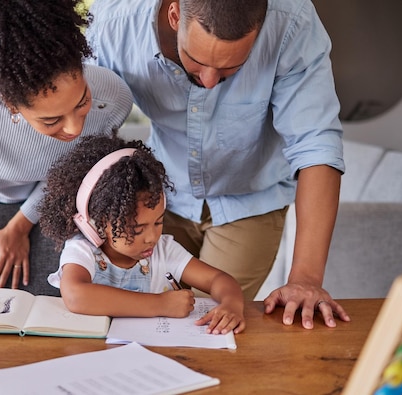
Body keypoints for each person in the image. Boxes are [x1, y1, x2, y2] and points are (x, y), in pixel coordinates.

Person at [86, 0, 351, 329]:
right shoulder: (115, 25)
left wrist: (306, 278)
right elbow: (87, 126)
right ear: (174, 15)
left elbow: (316, 145)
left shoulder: (292, 22)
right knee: (144, 318)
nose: (210, 81)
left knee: (205, 326)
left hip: (250, 200)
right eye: (196, 62)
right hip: (159, 194)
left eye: (230, 69)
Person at [0, 0, 133, 303]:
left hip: (61, 198)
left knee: (61, 297)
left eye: (81, 101)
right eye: (51, 120)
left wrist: (20, 225)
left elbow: (76, 172)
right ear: (9, 103)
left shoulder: (113, 97)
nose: (74, 128)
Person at [38, 134, 246, 335]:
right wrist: (159, 304)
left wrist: (232, 304)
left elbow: (219, 280)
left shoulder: (164, 250)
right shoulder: (83, 250)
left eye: (159, 222)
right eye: (137, 229)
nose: (152, 237)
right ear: (99, 223)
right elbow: (76, 296)